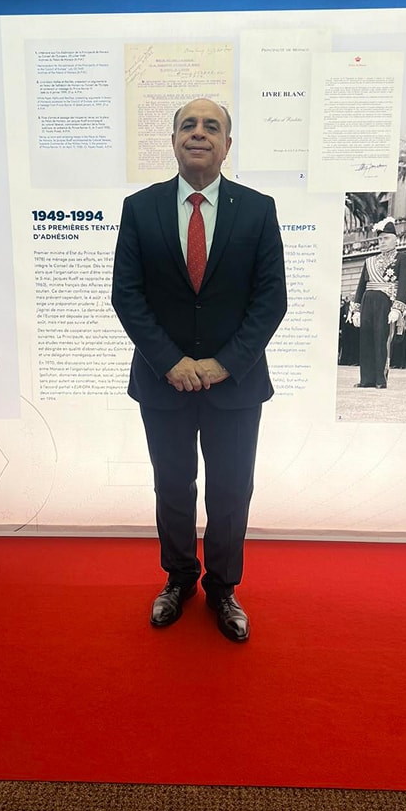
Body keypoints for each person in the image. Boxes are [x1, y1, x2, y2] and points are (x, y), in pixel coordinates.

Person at [111, 98, 287, 642]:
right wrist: (171, 362)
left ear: (227, 145)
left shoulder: (258, 210)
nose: (199, 133)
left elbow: (271, 301)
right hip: (163, 382)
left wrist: (222, 364)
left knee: (231, 491)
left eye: (212, 126)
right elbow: (127, 296)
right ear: (173, 141)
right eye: (188, 125)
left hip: (235, 385)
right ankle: (179, 579)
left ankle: (223, 588)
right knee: (172, 486)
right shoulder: (139, 209)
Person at [350, 218, 406, 389]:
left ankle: (380, 378)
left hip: (386, 301)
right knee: (366, 340)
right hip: (367, 300)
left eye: (386, 238)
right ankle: (366, 379)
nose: (382, 242)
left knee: (381, 339)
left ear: (395, 239)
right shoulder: (370, 261)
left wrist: (397, 308)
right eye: (380, 239)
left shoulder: (403, 258)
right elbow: (361, 286)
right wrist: (356, 310)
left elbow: (405, 284)